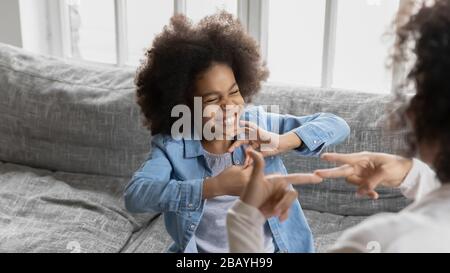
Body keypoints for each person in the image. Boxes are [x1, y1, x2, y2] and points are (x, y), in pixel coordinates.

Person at [226, 0, 450, 253]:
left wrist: (244, 218)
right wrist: (414, 173)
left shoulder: (383, 240)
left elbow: (335, 124)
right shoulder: (178, 140)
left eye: (418, 92)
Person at [124, 12, 350, 253]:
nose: (229, 105)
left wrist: (282, 142)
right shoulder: (172, 146)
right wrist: (213, 186)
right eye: (212, 99)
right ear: (183, 104)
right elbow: (135, 196)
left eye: (233, 92)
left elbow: (336, 125)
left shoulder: (258, 125)